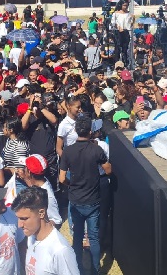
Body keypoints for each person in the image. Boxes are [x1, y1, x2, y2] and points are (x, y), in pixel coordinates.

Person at [59, 115, 111, 275]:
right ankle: (95, 271)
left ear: (75, 130)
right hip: (93, 199)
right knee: (93, 238)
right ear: (90, 131)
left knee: (78, 236)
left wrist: (72, 185)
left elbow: (62, 179)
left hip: (75, 200)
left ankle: (78, 269)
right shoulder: (96, 149)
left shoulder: (67, 151)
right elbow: (108, 170)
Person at [12, 187, 79, 275]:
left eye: (24, 218)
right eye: (18, 218)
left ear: (41, 213)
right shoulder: (32, 236)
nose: (20, 225)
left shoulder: (60, 251)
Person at [18, 154, 62, 226]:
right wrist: (25, 178)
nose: (23, 169)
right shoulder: (42, 180)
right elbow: (32, 185)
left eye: (25, 167)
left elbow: (57, 221)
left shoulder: (47, 196)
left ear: (29, 172)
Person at [110, 0, 133, 67]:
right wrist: (118, 27)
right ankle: (117, 64)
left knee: (125, 49)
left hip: (126, 31)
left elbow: (130, 24)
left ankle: (125, 63)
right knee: (118, 48)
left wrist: (133, 19)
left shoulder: (128, 14)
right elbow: (113, 23)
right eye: (124, 5)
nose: (125, 7)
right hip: (118, 32)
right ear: (121, 5)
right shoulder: (116, 13)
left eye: (126, 5)